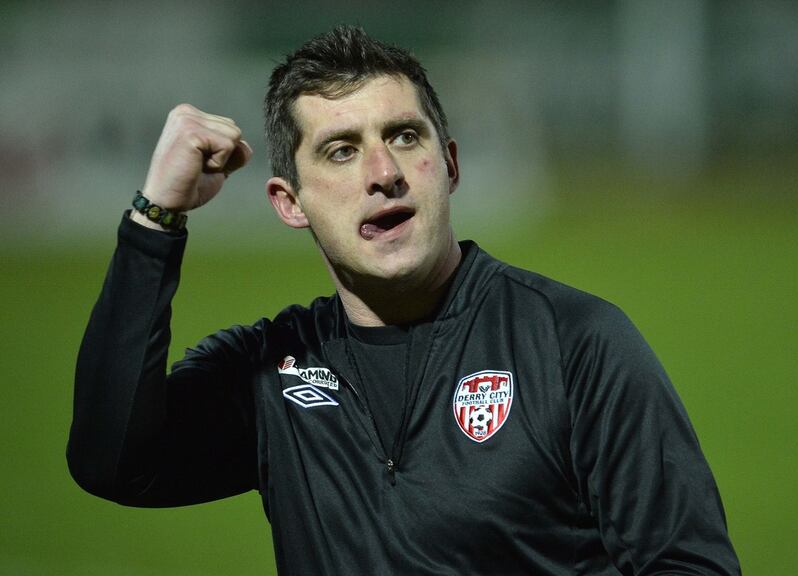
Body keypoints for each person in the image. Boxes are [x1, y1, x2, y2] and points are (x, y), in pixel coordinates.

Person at [68, 25, 741, 575]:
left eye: (403, 136)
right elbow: (112, 462)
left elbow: (688, 565)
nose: (383, 173)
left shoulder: (573, 342)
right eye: (340, 151)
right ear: (290, 203)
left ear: (448, 163)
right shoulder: (271, 371)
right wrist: (154, 218)